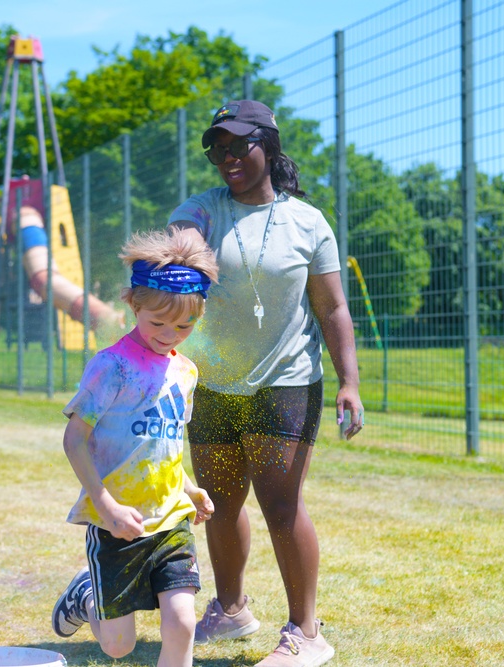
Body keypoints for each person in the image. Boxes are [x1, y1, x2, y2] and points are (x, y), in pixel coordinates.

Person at [167, 100, 365, 667]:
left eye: (237, 146)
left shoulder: (308, 222)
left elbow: (332, 310)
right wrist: (177, 252)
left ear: (268, 146)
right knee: (220, 503)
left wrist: (349, 382)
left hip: (287, 382)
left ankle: (306, 631)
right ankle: (231, 611)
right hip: (213, 385)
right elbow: (178, 244)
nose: (226, 158)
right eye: (216, 149)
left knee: (281, 506)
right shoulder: (201, 212)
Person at [51, 228, 219, 667]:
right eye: (157, 322)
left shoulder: (186, 373)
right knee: (118, 645)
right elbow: (75, 440)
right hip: (117, 527)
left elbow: (163, 447)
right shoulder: (110, 367)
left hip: (171, 521)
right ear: (133, 305)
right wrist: (104, 506)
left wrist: (189, 489)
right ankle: (86, 594)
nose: (169, 334)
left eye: (184, 325)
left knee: (182, 623)